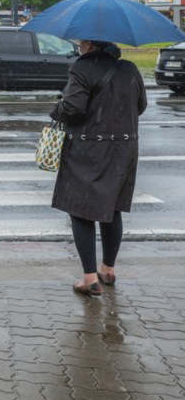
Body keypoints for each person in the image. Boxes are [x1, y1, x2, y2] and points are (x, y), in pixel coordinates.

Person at [49, 40, 147, 297]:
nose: (80, 46)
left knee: (80, 211)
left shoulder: (82, 68)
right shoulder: (129, 68)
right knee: (112, 208)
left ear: (90, 44)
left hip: (89, 149)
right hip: (125, 149)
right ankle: (108, 269)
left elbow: (73, 108)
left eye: (82, 42)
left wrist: (56, 108)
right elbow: (141, 106)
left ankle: (90, 279)